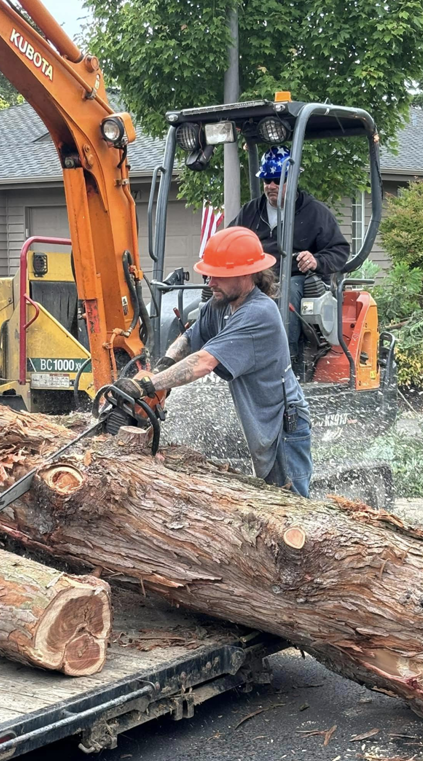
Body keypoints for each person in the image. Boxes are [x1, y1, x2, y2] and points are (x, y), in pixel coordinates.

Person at [114, 226, 312, 497]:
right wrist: (162, 367)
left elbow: (204, 361)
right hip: (264, 422)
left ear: (245, 274)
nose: (210, 283)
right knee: (272, 502)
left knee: (294, 506)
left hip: (283, 425)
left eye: (219, 276)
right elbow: (189, 338)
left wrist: (148, 385)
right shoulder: (221, 305)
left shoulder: (258, 313)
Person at [228, 145, 350, 367]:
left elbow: (339, 250)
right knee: (222, 290)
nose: (271, 185)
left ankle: (288, 362)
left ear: (292, 179)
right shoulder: (251, 211)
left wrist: (316, 260)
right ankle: (227, 357)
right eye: (267, 180)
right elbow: (228, 239)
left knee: (288, 288)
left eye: (277, 179)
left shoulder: (314, 212)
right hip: (257, 277)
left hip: (298, 279)